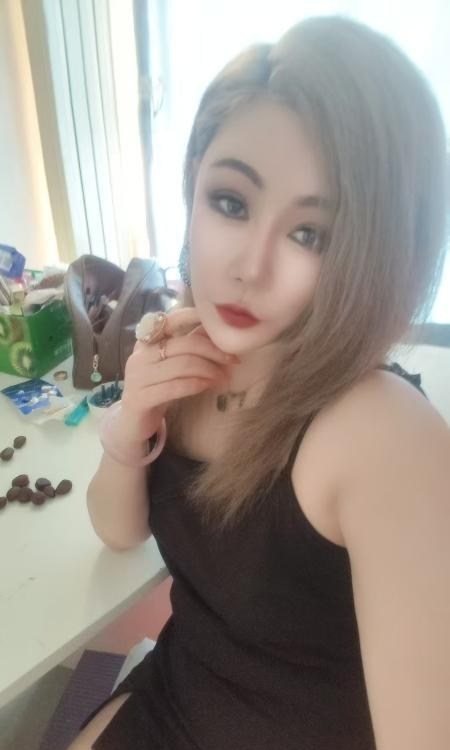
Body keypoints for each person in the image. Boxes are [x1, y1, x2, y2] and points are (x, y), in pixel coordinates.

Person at [67, 14, 450, 750]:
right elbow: (119, 532)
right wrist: (132, 419)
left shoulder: (383, 435)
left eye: (311, 234)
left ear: (373, 257)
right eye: (231, 202)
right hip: (182, 697)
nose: (250, 265)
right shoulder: (186, 354)